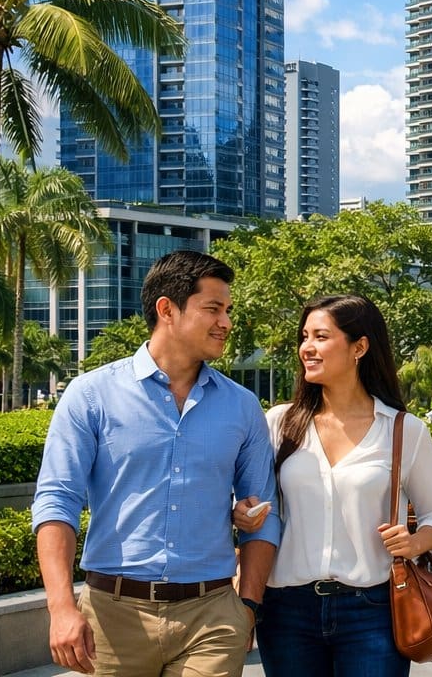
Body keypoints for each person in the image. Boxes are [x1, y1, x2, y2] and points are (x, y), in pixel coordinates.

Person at [32, 250, 279, 677]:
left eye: (228, 310)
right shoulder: (91, 395)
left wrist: (248, 607)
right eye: (213, 309)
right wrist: (61, 608)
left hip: (213, 616)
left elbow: (265, 512)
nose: (226, 322)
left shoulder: (242, 406)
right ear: (167, 309)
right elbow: (57, 500)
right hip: (112, 617)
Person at [240, 295, 432, 677]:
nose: (307, 347)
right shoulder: (279, 423)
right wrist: (242, 513)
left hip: (373, 611)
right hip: (286, 611)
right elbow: (254, 503)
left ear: (360, 347)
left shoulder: (403, 430)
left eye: (321, 336)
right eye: (304, 336)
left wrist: (417, 541)